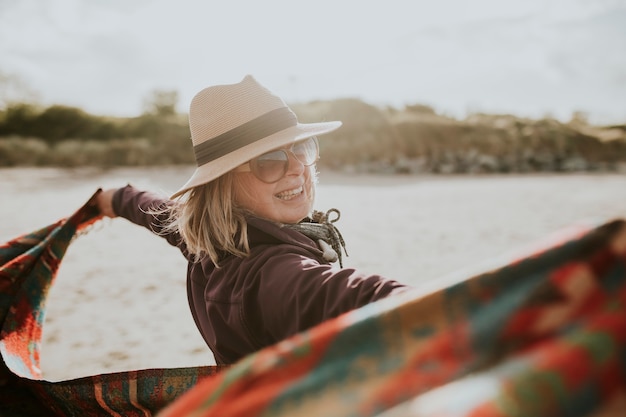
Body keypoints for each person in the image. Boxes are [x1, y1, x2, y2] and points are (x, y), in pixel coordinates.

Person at [95, 75, 410, 365]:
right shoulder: (269, 275)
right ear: (224, 185)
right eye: (269, 160)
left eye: (301, 148)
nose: (296, 167)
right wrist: (439, 305)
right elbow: (343, 295)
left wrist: (115, 199)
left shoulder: (208, 240)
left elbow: (156, 211)